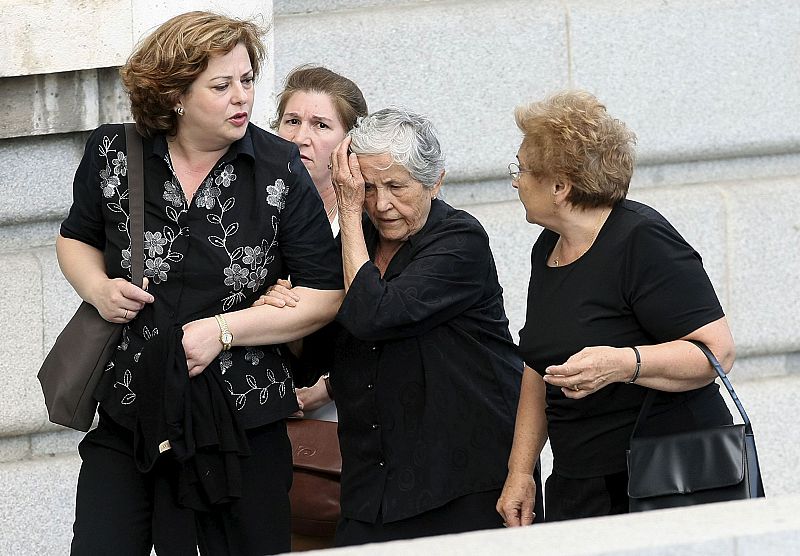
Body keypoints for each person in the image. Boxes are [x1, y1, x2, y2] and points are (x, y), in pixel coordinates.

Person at [58, 12, 343, 555]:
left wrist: (225, 330)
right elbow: (75, 238)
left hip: (240, 422)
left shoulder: (279, 167)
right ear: (175, 95)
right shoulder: (113, 152)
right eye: (221, 85)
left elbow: (325, 294)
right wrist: (97, 288)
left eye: (247, 80)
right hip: (131, 408)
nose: (242, 97)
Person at [495, 90, 736, 525]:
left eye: (523, 169)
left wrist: (624, 363)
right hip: (580, 482)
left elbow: (716, 352)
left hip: (668, 480)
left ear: (560, 187)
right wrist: (520, 472)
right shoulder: (547, 247)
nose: (516, 181)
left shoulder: (643, 240)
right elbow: (538, 366)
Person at [324, 107, 533, 545]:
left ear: (435, 182)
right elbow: (313, 348)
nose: (380, 204)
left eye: (396, 186)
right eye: (367, 187)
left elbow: (374, 314)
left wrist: (347, 210)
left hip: (459, 484)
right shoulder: (358, 240)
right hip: (371, 487)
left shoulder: (460, 240)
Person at [263, 65, 368, 422]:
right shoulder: (253, 212)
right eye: (292, 121)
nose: (300, 138)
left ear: (350, 142)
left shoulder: (372, 220)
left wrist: (328, 387)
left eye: (320, 125)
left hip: (349, 408)